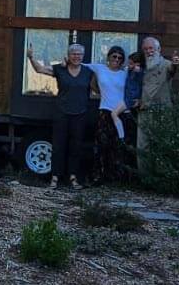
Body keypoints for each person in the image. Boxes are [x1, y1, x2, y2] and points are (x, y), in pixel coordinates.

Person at [26, 41, 95, 191]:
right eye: (73, 54)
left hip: (80, 113)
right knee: (58, 146)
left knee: (76, 147)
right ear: (68, 55)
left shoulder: (88, 72)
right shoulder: (60, 69)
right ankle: (55, 177)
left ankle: (73, 177)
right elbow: (39, 69)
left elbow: (99, 87)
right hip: (62, 113)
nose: (76, 56)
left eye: (79, 54)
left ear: (83, 56)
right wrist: (31, 58)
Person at [81, 45, 138, 184]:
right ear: (109, 57)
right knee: (101, 145)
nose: (117, 59)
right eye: (114, 56)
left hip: (122, 113)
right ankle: (98, 177)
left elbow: (135, 85)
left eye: (120, 58)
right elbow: (80, 65)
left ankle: (118, 179)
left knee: (119, 146)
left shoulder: (125, 73)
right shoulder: (99, 68)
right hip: (105, 111)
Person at [135, 36, 179, 166]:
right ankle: (144, 176)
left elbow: (172, 70)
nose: (148, 51)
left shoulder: (166, 64)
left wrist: (175, 64)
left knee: (163, 144)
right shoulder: (140, 66)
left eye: (151, 48)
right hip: (144, 111)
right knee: (142, 147)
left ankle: (161, 176)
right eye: (145, 49)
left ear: (159, 49)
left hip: (162, 111)